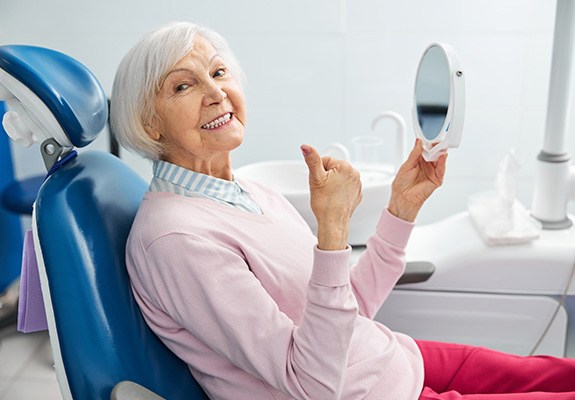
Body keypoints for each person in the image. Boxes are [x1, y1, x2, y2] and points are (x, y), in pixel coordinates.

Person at [110, 21, 575, 400]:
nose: (216, 93)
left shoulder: (245, 191)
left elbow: (347, 311)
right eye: (184, 86)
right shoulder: (176, 240)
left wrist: (401, 208)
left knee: (558, 373)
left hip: (392, 360)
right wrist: (333, 229)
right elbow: (309, 382)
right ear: (150, 124)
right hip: (361, 392)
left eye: (218, 72)